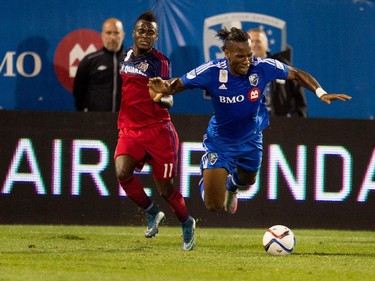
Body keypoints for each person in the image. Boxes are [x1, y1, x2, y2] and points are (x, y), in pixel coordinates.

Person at [148, 27, 351, 215]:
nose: (247, 60)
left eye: (249, 55)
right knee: (213, 206)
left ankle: (232, 187)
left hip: (251, 138)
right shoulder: (211, 72)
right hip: (221, 141)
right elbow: (177, 84)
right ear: (226, 54)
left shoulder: (262, 67)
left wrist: (321, 93)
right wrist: (163, 87)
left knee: (248, 178)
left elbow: (296, 74)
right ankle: (209, 178)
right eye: (240, 56)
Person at [114, 11, 195, 251]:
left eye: (150, 32)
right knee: (121, 172)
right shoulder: (126, 55)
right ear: (134, 33)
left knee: (166, 189)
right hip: (130, 129)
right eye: (141, 30)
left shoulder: (160, 62)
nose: (145, 35)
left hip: (158, 132)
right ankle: (152, 212)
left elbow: (168, 98)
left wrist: (160, 99)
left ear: (156, 36)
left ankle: (186, 221)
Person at [248, 28, 307, 117]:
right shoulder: (239, 68)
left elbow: (298, 96)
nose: (254, 44)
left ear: (266, 45)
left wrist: (297, 122)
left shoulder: (281, 65)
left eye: (258, 41)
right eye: (251, 41)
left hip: (279, 125)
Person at [73, 18, 125, 112]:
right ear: (102, 35)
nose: (112, 37)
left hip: (125, 121)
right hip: (95, 121)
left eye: (116, 33)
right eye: (108, 33)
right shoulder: (89, 61)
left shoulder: (133, 61)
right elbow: (78, 92)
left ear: (123, 35)